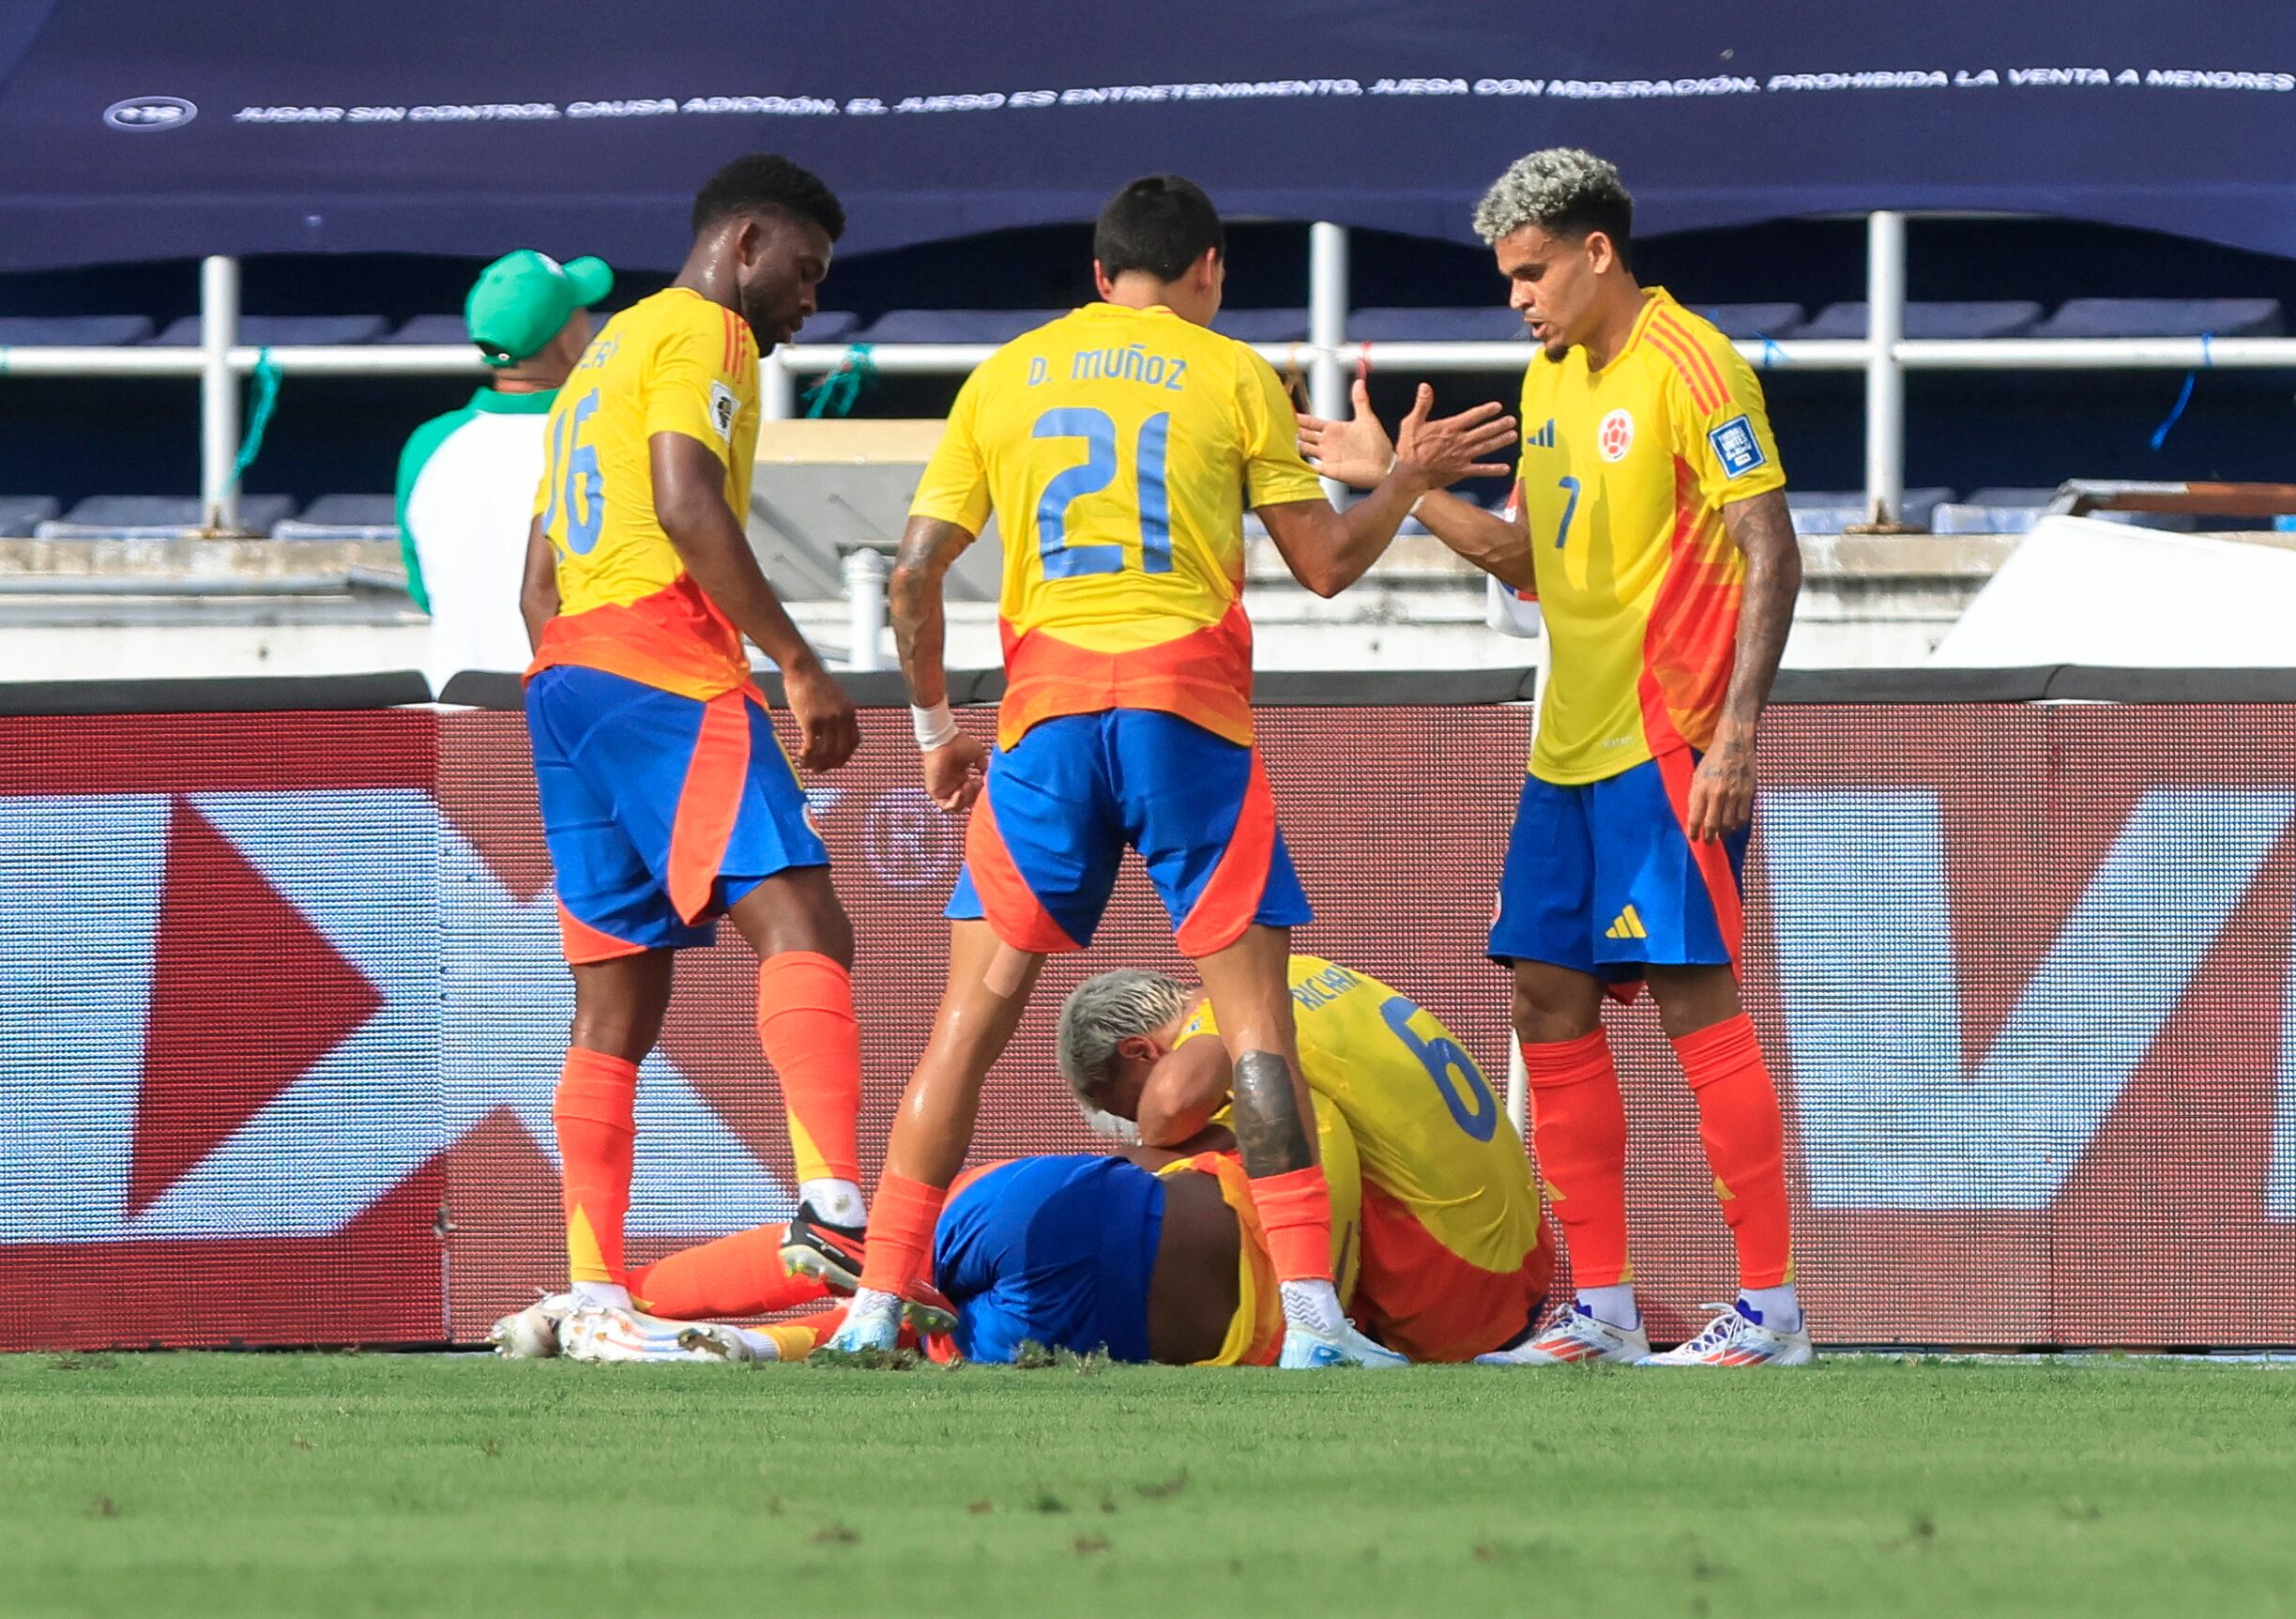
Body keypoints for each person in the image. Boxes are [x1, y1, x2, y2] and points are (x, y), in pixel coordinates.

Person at [832, 174, 1516, 1367]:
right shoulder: (1233, 373)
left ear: (1100, 278)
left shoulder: (1003, 377)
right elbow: (1323, 567)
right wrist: (1400, 481)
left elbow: (910, 577)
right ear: (1208, 271)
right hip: (1183, 706)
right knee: (1255, 1028)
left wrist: (938, 730)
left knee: (962, 1027)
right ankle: (1310, 1322)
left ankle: (874, 1303)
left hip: (1042, 717)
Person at [1297, 148, 1811, 1367]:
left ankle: (1772, 1306)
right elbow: (1524, 559)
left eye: (1533, 275)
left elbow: (1774, 549)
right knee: (1542, 999)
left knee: (1696, 1007)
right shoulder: (1547, 381)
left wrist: (1738, 732)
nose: (1520, 301)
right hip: (1567, 745)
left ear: (1597, 252)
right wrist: (1402, 484)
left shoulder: (1695, 364)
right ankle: (1606, 1305)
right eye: (1507, 282)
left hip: (1668, 733)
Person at [516, 153, 887, 1326]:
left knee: (616, 994)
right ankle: (833, 1209)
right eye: (805, 271)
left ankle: (588, 1290)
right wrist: (798, 658)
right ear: (745, 242)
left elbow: (535, 579)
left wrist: (586, 670)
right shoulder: (703, 332)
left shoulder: (593, 364)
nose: (808, 301)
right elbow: (687, 502)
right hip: (658, 663)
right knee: (798, 913)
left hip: (566, 669)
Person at [498, 1132, 1361, 1368]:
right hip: (1110, 1331)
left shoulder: (1257, 1111)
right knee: (918, 1336)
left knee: (876, 1255)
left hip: (1056, 1212)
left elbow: (1150, 1141)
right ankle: (759, 1348)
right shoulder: (1348, 1242)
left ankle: (603, 1298)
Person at [1057, 957, 1557, 1363]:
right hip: (1521, 1275)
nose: (1135, 1125)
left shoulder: (1229, 1014)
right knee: (1277, 1089)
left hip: (1453, 1309)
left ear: (1141, 1051)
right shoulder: (1296, 970)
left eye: (1127, 1109)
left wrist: (1147, 1151)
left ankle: (1312, 1323)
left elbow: (1172, 1104)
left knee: (1276, 1108)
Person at [395, 249, 610, 691]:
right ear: (568, 339)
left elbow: (424, 590)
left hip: (459, 723)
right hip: (572, 714)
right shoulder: (602, 434)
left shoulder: (427, 444)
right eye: (582, 315)